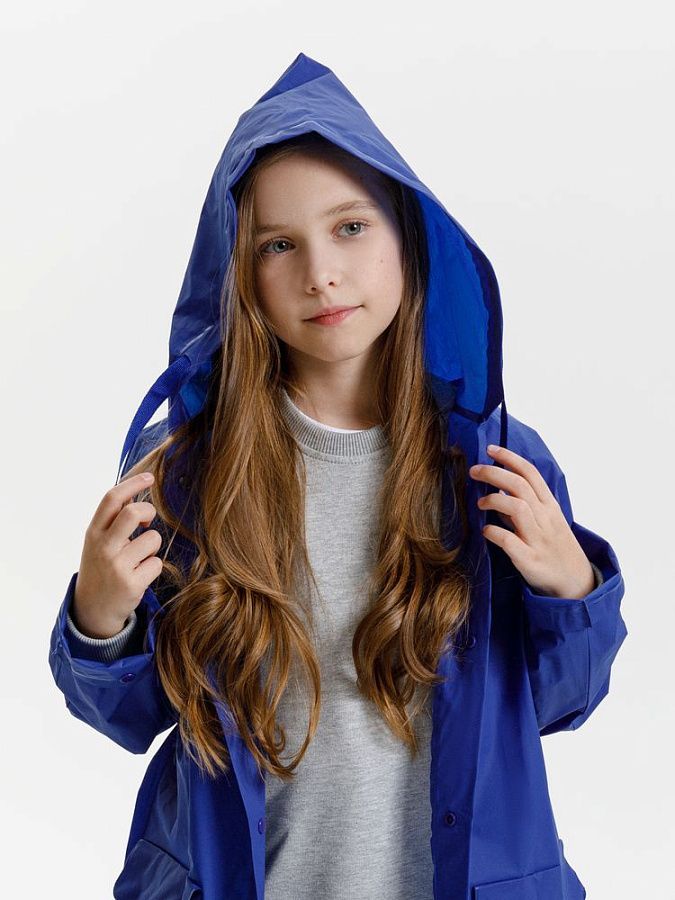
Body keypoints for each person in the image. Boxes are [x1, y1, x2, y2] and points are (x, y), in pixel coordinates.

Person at [48, 51, 627, 900]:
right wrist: (102, 620)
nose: (319, 272)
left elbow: (556, 706)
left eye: (350, 227)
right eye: (278, 244)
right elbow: (130, 721)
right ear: (239, 276)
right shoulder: (184, 476)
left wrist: (569, 588)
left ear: (408, 238)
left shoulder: (495, 464)